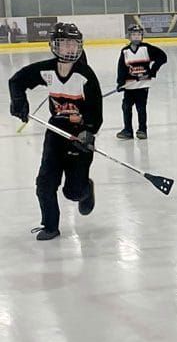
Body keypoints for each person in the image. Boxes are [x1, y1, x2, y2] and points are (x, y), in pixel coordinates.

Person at [8, 23, 103, 241]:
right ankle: (50, 225)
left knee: (73, 192)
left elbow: (96, 113)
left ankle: (85, 189)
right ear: (55, 46)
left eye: (74, 43)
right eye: (65, 43)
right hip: (55, 132)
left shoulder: (86, 76)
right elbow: (17, 81)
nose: (70, 48)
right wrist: (19, 102)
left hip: (80, 137)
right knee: (45, 183)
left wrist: (88, 132)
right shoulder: (47, 70)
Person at [115, 24, 167, 140]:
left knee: (141, 108)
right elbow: (121, 68)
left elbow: (163, 57)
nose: (137, 37)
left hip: (143, 85)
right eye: (134, 35)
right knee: (126, 107)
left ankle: (142, 130)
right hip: (129, 86)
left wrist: (153, 71)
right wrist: (120, 83)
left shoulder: (147, 48)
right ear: (129, 36)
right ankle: (128, 130)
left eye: (139, 34)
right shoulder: (125, 51)